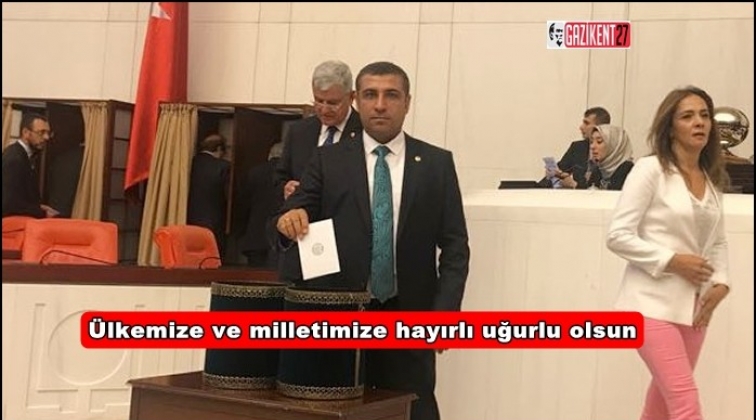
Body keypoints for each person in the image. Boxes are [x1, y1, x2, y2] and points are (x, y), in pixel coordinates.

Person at [275, 61, 470, 420]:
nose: (380, 105)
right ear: (356, 101)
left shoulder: (436, 164)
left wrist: (445, 314)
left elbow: (455, 247)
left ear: (407, 102)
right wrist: (290, 218)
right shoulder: (328, 160)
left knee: (414, 411)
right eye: (370, 95)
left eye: (391, 95)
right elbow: (295, 211)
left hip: (410, 320)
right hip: (341, 319)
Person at [606, 86, 730, 420]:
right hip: (647, 307)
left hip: (695, 310)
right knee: (686, 403)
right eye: (687, 116)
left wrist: (721, 284)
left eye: (704, 115)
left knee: (660, 406)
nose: (699, 122)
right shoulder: (650, 170)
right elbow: (617, 236)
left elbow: (717, 242)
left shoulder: (710, 178)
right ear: (670, 127)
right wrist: (672, 261)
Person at [275, 60, 362, 200]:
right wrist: (285, 187)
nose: (324, 110)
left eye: (333, 103)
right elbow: (280, 176)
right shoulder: (299, 131)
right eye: (319, 101)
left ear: (352, 97)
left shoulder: (366, 132)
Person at [2, 113, 58, 218]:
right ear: (25, 132)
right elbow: (8, 203)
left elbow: (20, 198)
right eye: (41, 132)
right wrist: (42, 213)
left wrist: (39, 207)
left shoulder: (24, 155)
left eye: (48, 133)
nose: (46, 137)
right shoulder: (14, 159)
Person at [542, 106, 611, 187]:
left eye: (586, 123)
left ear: (600, 127)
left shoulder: (611, 152)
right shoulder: (578, 147)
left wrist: (574, 185)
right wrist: (554, 174)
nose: (581, 127)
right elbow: (561, 169)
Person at [187, 134, 231, 260]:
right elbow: (229, 194)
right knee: (212, 256)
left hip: (188, 216)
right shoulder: (224, 166)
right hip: (214, 218)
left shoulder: (189, 163)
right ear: (219, 149)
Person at [239, 142, 283, 268]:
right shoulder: (291, 173)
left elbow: (244, 202)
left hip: (255, 235)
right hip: (280, 236)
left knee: (254, 276)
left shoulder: (255, 172)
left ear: (270, 155)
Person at [560, 124, 634, 190]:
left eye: (599, 142)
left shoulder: (627, 170)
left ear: (613, 145)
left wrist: (574, 184)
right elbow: (590, 195)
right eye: (591, 142)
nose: (592, 146)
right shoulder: (599, 169)